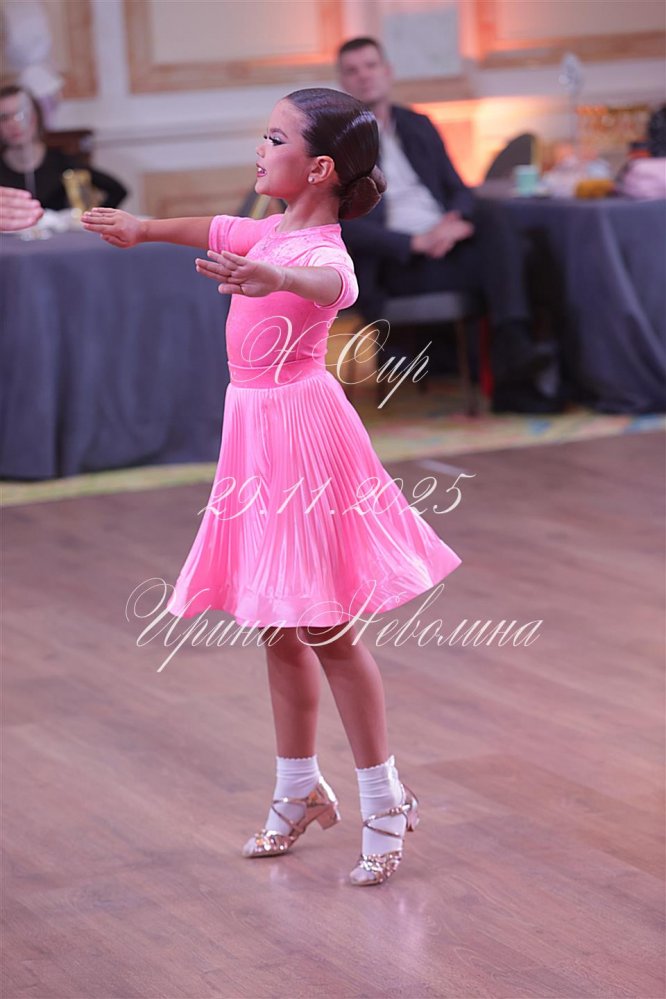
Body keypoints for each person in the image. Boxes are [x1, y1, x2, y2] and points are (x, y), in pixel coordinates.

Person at [81, 87, 462, 887]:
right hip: (253, 435)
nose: (260, 148)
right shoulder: (268, 228)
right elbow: (213, 228)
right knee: (274, 625)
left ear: (319, 168)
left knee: (327, 628)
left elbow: (330, 287)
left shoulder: (321, 250)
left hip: (304, 441)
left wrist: (271, 273)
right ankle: (299, 789)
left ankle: (385, 798)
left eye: (276, 138)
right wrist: (142, 228)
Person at [336, 36, 560, 413]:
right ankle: (515, 364)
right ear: (343, 82)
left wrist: (454, 221)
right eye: (352, 70)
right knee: (521, 256)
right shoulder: (337, 144)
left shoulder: (417, 125)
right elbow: (341, 225)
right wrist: (416, 243)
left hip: (446, 245)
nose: (364, 76)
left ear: (387, 72)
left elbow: (459, 189)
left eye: (371, 66)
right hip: (397, 264)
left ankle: (514, 366)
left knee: (504, 224)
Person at [0, 85, 127, 210]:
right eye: (4, 118)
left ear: (36, 116)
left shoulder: (62, 163)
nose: (13, 124)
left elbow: (117, 190)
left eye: (21, 115)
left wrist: (91, 219)